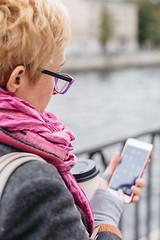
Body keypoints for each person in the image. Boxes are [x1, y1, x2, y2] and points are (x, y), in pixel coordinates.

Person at [0, 0, 146, 239]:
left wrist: (94, 191)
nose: (56, 90)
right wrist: (105, 216)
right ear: (18, 78)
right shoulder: (35, 184)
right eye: (57, 73)